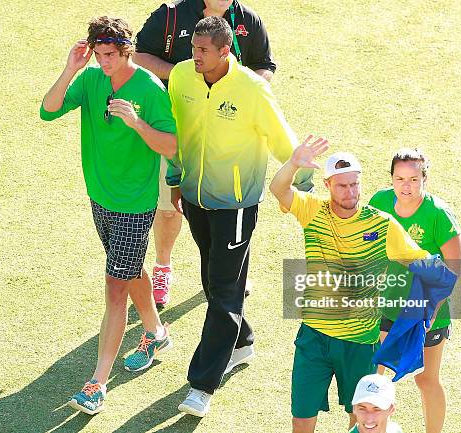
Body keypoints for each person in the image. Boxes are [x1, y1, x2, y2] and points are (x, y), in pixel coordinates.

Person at [167, 16, 313, 417]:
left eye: (202, 51)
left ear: (225, 50)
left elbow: (284, 140)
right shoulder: (181, 77)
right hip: (196, 197)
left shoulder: (252, 89)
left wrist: (306, 184)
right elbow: (176, 129)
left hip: (235, 204)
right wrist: (176, 176)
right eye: (193, 48)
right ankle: (242, 340)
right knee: (213, 279)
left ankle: (202, 385)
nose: (194, 57)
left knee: (226, 288)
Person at [39, 16, 177, 415]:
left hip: (135, 204)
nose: (104, 63)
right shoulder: (92, 78)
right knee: (130, 270)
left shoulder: (149, 89)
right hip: (100, 197)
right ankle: (155, 332)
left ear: (127, 50)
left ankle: (97, 383)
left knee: (115, 287)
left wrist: (135, 122)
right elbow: (48, 111)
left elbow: (170, 145)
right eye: (98, 55)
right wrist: (71, 69)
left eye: (111, 56)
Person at [270, 140, 449, 433]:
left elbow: (434, 270)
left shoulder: (381, 225)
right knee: (301, 419)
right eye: (342, 186)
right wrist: (293, 163)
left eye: (355, 184)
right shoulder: (312, 210)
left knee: (360, 419)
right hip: (313, 337)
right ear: (327, 184)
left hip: (360, 342)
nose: (350, 192)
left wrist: (426, 315)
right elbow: (278, 189)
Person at [134, 0, 276, 307]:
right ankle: (163, 267)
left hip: (230, 135)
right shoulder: (171, 15)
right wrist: (187, 74)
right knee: (170, 206)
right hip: (176, 129)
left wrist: (245, 90)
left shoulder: (247, 20)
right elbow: (139, 55)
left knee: (232, 211)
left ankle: (230, 274)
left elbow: (265, 65)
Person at [369, 148, 461, 433]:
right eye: (399, 179)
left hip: (426, 311)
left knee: (426, 380)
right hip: (385, 306)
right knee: (374, 376)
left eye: (413, 179)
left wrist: (433, 308)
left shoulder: (438, 215)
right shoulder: (379, 202)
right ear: (392, 179)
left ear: (425, 180)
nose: (405, 186)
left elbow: (454, 268)